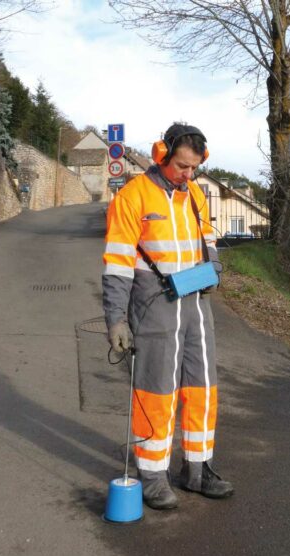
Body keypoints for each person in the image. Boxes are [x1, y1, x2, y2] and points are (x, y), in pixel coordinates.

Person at [101, 122, 233, 510]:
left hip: (196, 307)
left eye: (194, 168)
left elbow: (208, 241)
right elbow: (117, 264)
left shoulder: (194, 195)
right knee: (156, 392)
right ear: (163, 155)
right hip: (153, 307)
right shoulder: (133, 196)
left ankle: (197, 468)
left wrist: (214, 270)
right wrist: (115, 319)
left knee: (202, 389)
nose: (188, 175)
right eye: (181, 166)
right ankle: (153, 474)